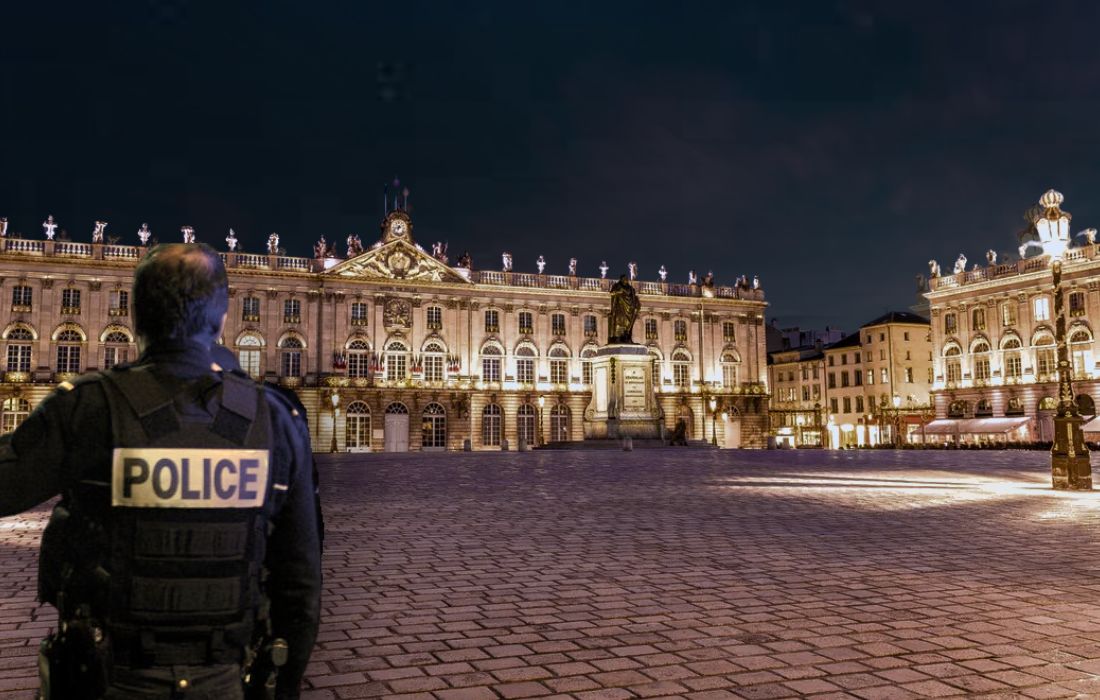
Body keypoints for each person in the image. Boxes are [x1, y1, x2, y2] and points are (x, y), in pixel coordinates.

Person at [0, 243, 321, 699]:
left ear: (134, 314)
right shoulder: (276, 419)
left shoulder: (88, 408)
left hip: (108, 678)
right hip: (223, 678)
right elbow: (302, 586)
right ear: (223, 317)